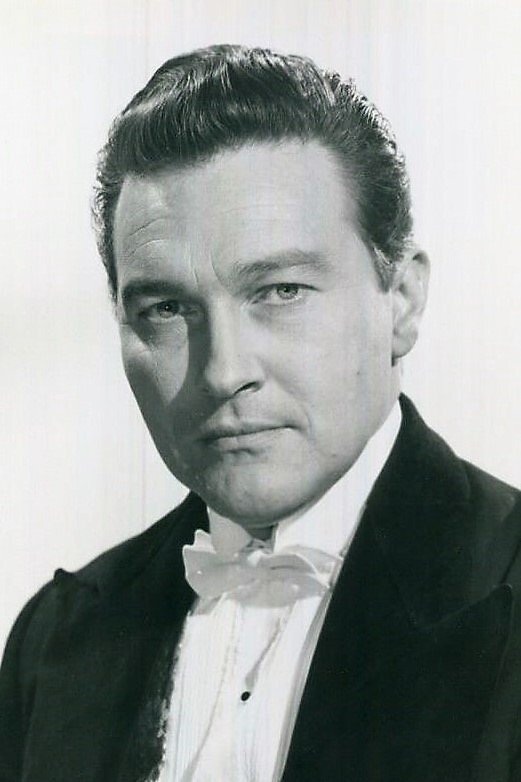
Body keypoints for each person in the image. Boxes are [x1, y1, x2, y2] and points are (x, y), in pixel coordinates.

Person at [1, 44, 520, 782]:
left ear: (401, 301)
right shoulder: (55, 641)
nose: (223, 371)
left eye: (280, 291)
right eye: (167, 309)